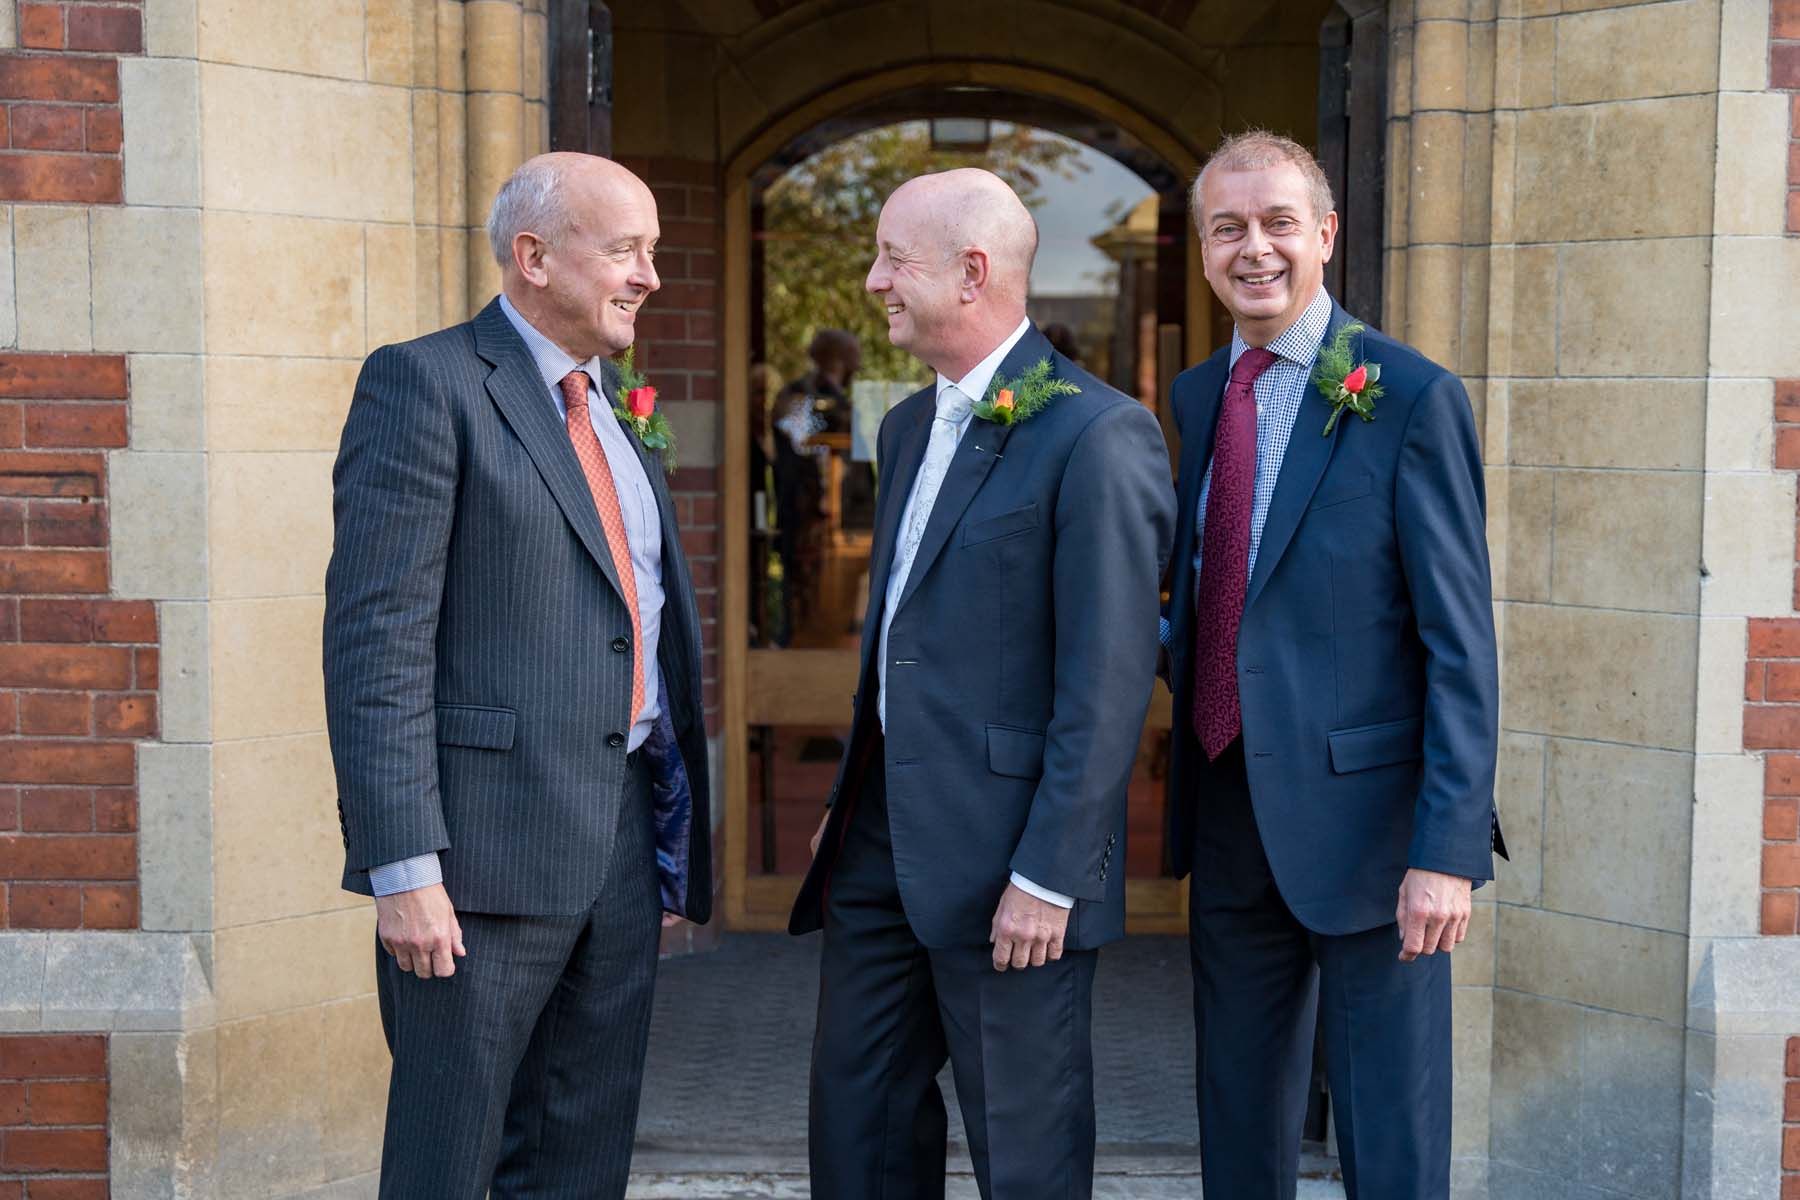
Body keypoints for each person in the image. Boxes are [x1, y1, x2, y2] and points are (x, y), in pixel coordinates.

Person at [323, 152, 712, 1200]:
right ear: (534, 256)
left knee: (580, 1161)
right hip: (477, 866)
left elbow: (638, 633)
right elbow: (376, 642)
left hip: (619, 849)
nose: (649, 276)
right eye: (627, 249)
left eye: (654, 252)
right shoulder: (426, 383)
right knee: (449, 1164)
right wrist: (405, 869)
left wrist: (665, 844)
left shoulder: (618, 411)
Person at [789, 168, 1176, 1199]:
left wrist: (1051, 873)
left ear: (971, 273)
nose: (874, 279)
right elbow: (901, 639)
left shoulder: (1097, 434)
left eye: (890, 258)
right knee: (857, 1136)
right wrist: (845, 803)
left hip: (1015, 867)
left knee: (1027, 1160)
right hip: (878, 849)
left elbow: (1109, 679)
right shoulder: (908, 428)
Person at [1162, 130, 1501, 1199]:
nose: (1252, 247)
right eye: (1229, 228)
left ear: (1325, 236)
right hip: (1228, 807)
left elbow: (1460, 645)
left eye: (1276, 224)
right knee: (1239, 1127)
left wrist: (1446, 849)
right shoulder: (1193, 398)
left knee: (1388, 1141)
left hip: (1374, 839)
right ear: (1205, 246)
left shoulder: (1406, 395)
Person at [771, 330, 863, 630]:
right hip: (806, 516)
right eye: (853, 358)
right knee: (803, 598)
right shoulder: (800, 396)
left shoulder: (839, 399)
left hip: (847, 518)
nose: (856, 368)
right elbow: (801, 444)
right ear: (836, 358)